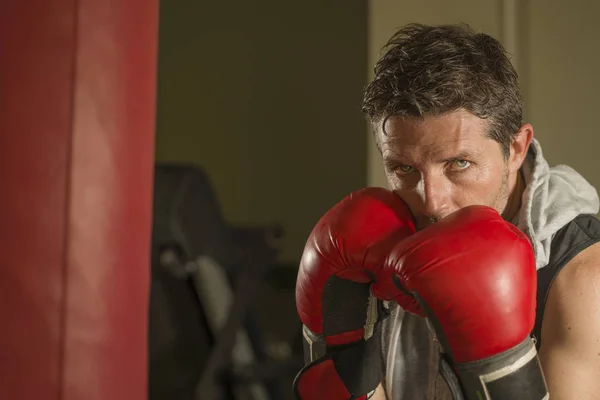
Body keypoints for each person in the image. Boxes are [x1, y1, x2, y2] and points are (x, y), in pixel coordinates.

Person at [292, 23, 600, 400]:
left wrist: (502, 373)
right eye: (404, 169)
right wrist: (339, 349)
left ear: (517, 149)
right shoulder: (376, 242)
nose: (432, 201)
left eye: (459, 163)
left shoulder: (582, 277)